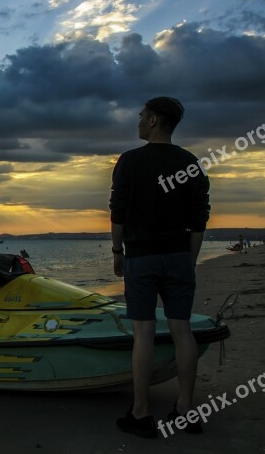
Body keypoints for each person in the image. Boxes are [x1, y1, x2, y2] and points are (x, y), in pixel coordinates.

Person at [109, 97, 210, 438]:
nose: (137, 121)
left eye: (140, 116)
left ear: (153, 120)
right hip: (179, 255)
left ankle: (141, 412)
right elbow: (199, 220)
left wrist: (116, 251)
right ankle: (185, 408)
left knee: (144, 332)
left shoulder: (131, 161)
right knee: (183, 331)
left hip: (142, 258)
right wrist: (190, 260)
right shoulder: (191, 163)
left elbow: (118, 211)